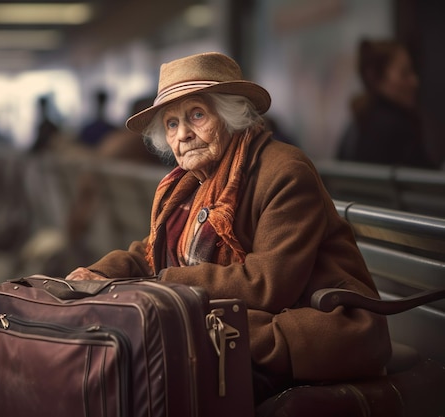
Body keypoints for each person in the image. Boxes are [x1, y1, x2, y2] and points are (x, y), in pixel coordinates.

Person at [65, 52, 392, 404]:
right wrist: (98, 274)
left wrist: (162, 284)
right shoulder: (187, 184)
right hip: (238, 327)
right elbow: (153, 252)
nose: (183, 135)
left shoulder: (284, 171)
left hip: (312, 329)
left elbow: (267, 285)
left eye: (196, 115)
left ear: (231, 114)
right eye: (172, 124)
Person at [336, 39, 437, 168]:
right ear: (376, 77)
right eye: (404, 74)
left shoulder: (357, 122)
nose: (415, 81)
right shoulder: (399, 126)